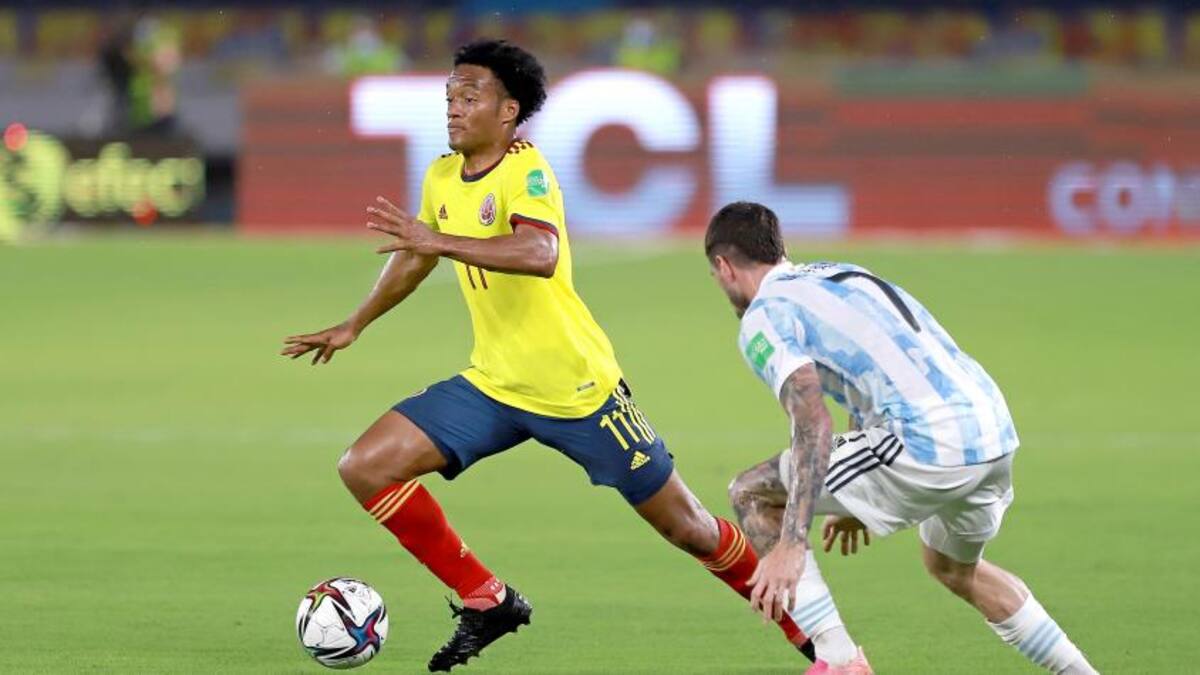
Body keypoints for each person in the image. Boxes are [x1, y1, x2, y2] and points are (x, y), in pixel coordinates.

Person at [281, 41, 813, 672]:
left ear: (508, 111)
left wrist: (439, 240)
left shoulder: (526, 170)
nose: (453, 107)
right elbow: (417, 257)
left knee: (689, 528)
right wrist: (356, 323)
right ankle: (487, 599)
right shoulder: (443, 175)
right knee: (365, 467)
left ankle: (814, 640)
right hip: (496, 385)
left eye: (469, 96)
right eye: (449, 96)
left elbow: (540, 253)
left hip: (577, 390)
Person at [704, 201, 1100, 675]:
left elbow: (812, 421)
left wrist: (792, 540)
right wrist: (854, 496)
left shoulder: (764, 316)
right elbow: (869, 371)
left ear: (724, 267)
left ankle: (840, 661)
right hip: (991, 429)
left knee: (752, 493)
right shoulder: (841, 274)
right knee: (952, 567)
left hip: (928, 441)